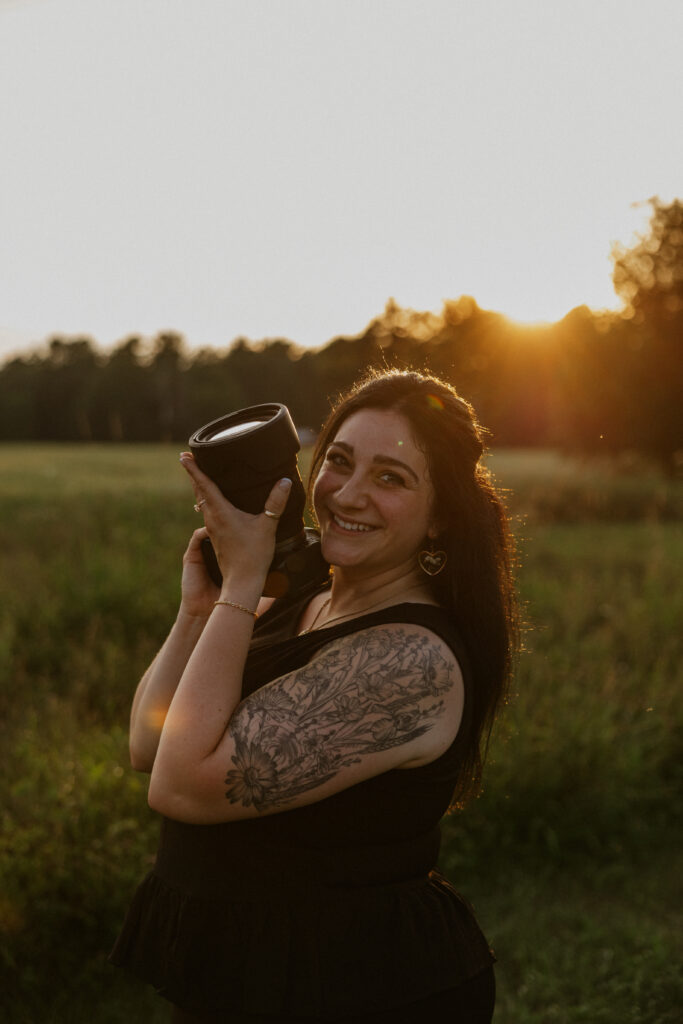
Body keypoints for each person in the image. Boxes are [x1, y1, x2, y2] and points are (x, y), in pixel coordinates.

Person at [110, 368, 519, 1023]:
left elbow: (180, 788)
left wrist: (244, 584)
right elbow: (150, 743)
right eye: (337, 462)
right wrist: (202, 611)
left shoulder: (409, 661)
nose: (346, 495)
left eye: (391, 478)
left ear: (440, 517)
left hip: (356, 986)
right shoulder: (306, 598)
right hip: (257, 971)